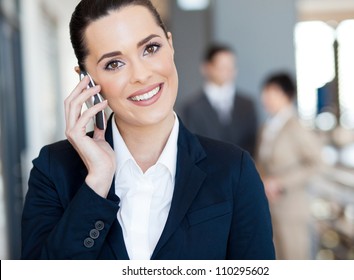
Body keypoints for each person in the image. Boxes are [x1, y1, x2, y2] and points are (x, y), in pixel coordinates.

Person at [21, 0, 275, 260]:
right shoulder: (53, 170)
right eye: (114, 64)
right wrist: (96, 184)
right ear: (86, 79)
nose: (141, 75)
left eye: (151, 48)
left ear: (170, 45)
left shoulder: (234, 170)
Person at [255, 72, 323, 260]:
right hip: (270, 207)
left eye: (271, 92)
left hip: (292, 210)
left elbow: (316, 163)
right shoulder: (267, 127)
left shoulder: (296, 126)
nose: (265, 97)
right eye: (265, 92)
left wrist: (281, 182)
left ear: (287, 95)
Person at [182, 44, 258, 157]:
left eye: (231, 66)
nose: (228, 71)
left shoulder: (247, 104)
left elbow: (253, 144)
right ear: (206, 68)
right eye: (222, 67)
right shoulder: (191, 107)